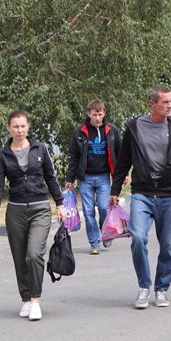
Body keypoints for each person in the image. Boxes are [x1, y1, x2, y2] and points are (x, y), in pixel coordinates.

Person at [109, 84, 171, 309]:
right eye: (165, 102)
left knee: (168, 245)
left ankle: (161, 289)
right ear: (152, 103)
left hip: (169, 195)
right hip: (142, 193)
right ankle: (144, 286)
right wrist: (115, 190)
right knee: (138, 237)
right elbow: (123, 161)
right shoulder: (134, 127)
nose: (170, 105)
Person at [0, 110, 67, 321]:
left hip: (40, 208)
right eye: (15, 126)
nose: (20, 130)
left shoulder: (40, 148)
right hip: (15, 211)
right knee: (19, 258)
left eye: (23, 126)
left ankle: (35, 300)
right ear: (9, 128)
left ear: (28, 126)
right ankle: (25, 299)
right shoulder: (2, 154)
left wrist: (60, 204)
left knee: (34, 255)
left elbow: (51, 176)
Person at [65, 100, 122, 254]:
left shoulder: (111, 130)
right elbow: (74, 156)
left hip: (104, 177)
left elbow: (121, 153)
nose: (98, 117)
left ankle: (106, 234)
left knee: (104, 208)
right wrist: (70, 179)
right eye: (94, 114)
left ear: (104, 113)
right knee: (88, 211)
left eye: (100, 114)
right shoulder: (80, 131)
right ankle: (94, 243)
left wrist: (123, 175)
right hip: (85, 178)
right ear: (88, 113)